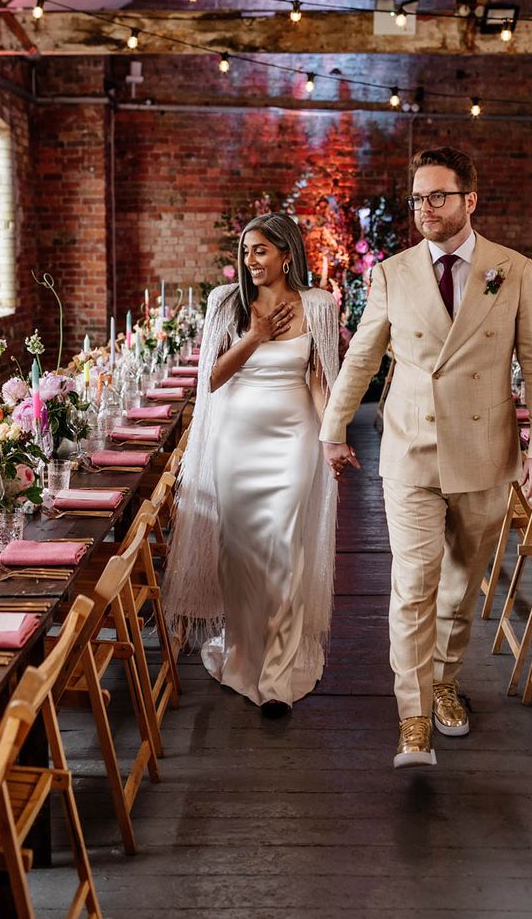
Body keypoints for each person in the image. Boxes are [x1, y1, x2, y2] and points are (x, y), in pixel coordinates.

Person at [320, 145, 532, 766]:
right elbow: (363, 356)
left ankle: (445, 680)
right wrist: (333, 426)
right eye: (418, 198)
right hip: (411, 447)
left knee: (460, 586)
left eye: (438, 196)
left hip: (485, 449)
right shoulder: (392, 273)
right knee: (413, 585)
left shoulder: (515, 270)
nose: (425, 208)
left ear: (469, 200)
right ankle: (414, 716)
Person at [164, 213, 339, 718]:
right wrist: (256, 335)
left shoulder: (318, 306)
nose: (250, 262)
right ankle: (243, 655)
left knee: (286, 552)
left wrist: (332, 436)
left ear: (287, 254)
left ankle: (279, 673)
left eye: (260, 250)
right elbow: (211, 379)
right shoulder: (226, 304)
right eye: (246, 252)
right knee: (238, 554)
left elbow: (319, 381)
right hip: (236, 442)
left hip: (295, 440)